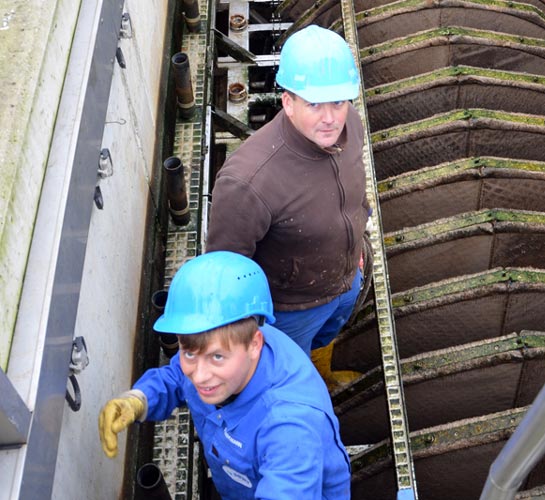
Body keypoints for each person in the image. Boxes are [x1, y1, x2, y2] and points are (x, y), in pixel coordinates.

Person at [98, 251, 351, 500]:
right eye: (189, 354)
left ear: (254, 344)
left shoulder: (289, 429)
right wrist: (139, 399)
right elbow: (177, 377)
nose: (199, 376)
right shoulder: (231, 344)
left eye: (217, 357)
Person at [205, 25, 369, 390]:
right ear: (287, 102)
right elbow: (225, 271)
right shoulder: (248, 182)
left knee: (330, 331)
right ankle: (302, 387)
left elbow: (356, 191)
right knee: (287, 371)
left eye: (338, 101)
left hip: (345, 282)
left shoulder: (350, 125)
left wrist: (356, 242)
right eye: (314, 103)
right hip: (292, 310)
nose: (330, 118)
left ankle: (322, 375)